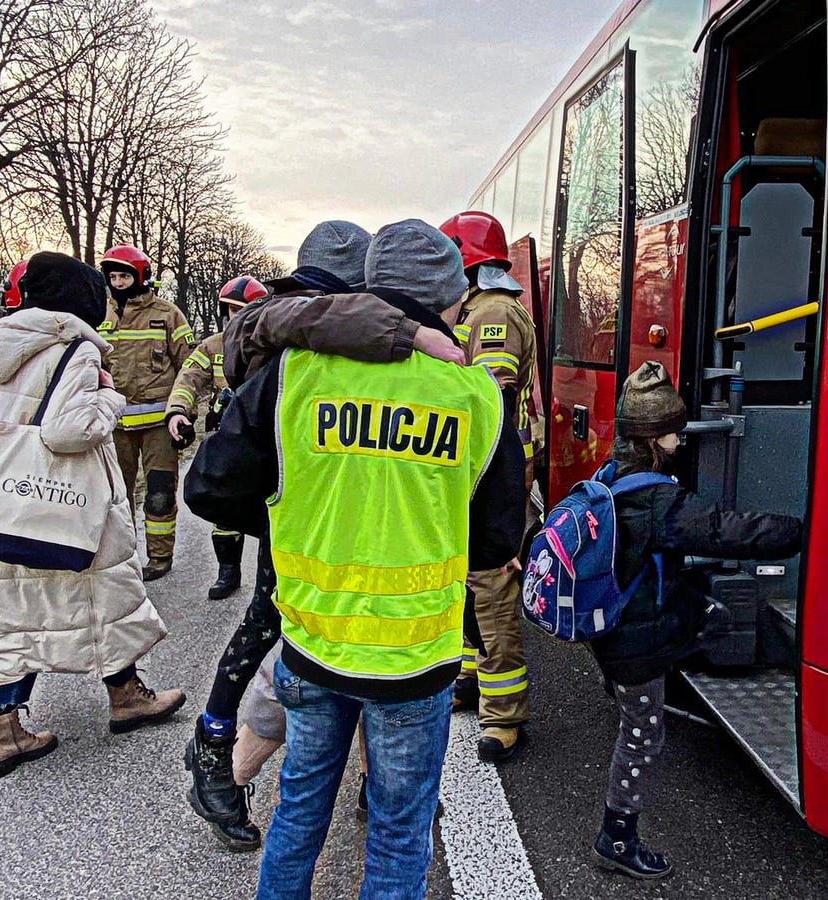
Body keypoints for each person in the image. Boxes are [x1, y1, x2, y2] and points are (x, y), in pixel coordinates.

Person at [185, 219, 525, 898]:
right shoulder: (474, 395)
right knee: (399, 830)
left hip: (312, 645)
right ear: (450, 299)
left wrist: (292, 516)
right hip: (414, 661)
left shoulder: (295, 375)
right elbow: (494, 541)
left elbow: (209, 487)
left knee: (301, 810)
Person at [0, 251, 185, 780]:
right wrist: (110, 401)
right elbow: (68, 431)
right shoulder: (76, 353)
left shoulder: (8, 347)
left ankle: (3, 731)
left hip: (15, 502)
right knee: (103, 597)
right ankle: (127, 697)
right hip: (70, 501)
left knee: (13, 617)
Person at [588, 361, 802, 879]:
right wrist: (802, 529)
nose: (681, 441)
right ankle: (616, 837)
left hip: (616, 626)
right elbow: (728, 532)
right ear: (656, 436)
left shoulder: (609, 477)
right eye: (675, 432)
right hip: (633, 643)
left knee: (708, 612)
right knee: (642, 733)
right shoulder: (657, 501)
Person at [440, 210, 537, 763]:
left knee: (489, 585)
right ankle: (471, 680)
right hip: (469, 468)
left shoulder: (493, 312)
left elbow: (490, 394)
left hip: (490, 470)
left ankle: (504, 716)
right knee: (464, 580)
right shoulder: (477, 307)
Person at [166, 275, 269, 600]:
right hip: (227, 437)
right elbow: (189, 378)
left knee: (276, 510)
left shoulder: (274, 343)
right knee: (224, 506)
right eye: (230, 311)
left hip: (267, 440)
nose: (235, 318)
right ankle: (229, 571)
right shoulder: (212, 346)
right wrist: (178, 412)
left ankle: (276, 579)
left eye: (242, 310)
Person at [97, 243, 195, 581]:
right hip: (114, 426)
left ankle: (159, 558)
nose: (119, 282)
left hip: (158, 425)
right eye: (114, 276)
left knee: (159, 494)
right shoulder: (99, 314)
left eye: (125, 275)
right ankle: (122, 559)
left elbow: (189, 368)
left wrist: (185, 414)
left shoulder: (168, 314)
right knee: (116, 498)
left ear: (141, 276)